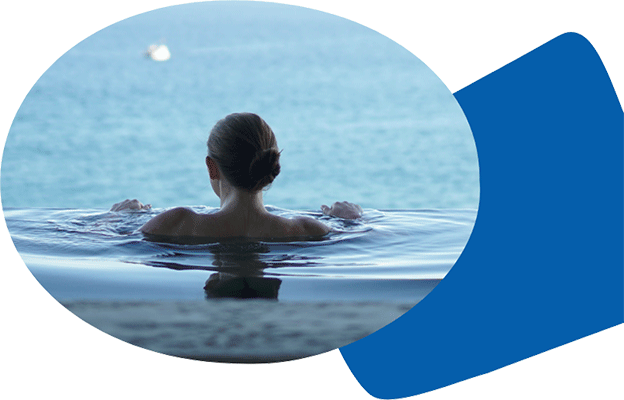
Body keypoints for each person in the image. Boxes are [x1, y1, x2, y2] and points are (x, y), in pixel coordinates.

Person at [110, 112, 362, 239]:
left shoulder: (176, 224)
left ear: (212, 167)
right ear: (272, 167)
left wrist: (116, 219)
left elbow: (103, 242)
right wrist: (351, 221)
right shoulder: (308, 230)